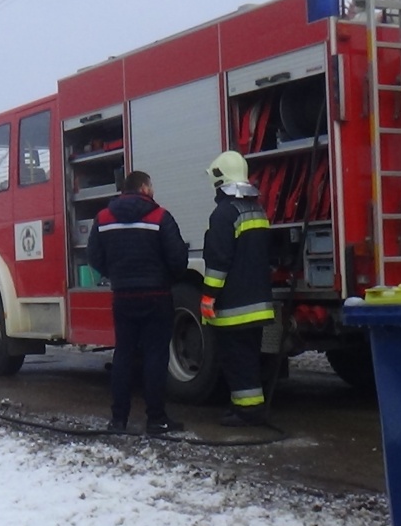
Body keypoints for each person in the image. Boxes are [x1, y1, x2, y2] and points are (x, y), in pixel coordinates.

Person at [86, 170, 188, 435]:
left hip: (123, 296)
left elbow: (94, 257)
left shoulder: (103, 218)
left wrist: (116, 274)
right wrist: (165, 278)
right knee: (155, 357)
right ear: (143, 187)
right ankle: (156, 419)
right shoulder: (160, 216)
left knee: (123, 356)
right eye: (151, 186)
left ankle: (118, 420)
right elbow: (178, 259)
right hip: (157, 296)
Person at [201, 151, 275, 427]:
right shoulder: (256, 209)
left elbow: (218, 262)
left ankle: (247, 411)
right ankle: (249, 405)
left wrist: (208, 297)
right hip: (258, 303)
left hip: (234, 307)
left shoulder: (223, 214)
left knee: (236, 359)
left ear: (219, 177)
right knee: (250, 358)